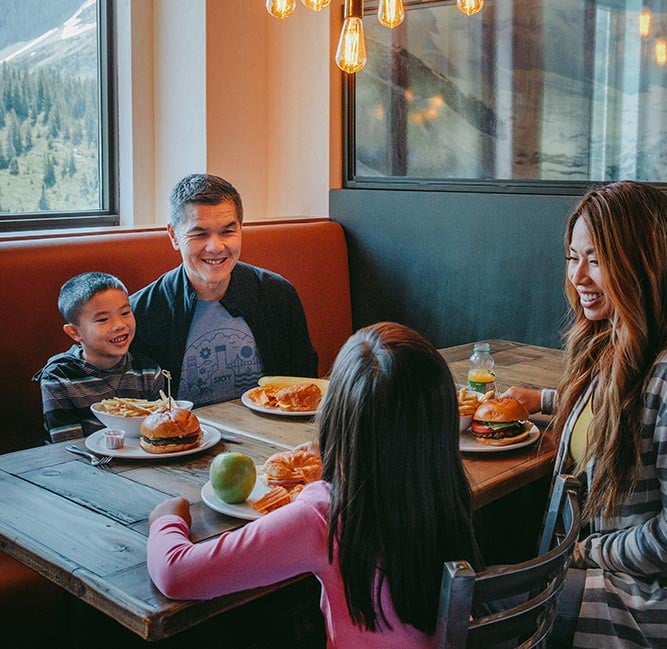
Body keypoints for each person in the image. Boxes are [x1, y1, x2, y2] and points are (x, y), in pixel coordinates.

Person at [147, 322, 482, 648]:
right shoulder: (445, 490)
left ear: (334, 417)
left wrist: (166, 519)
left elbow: (176, 573)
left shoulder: (325, 517)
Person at [502, 181, 667, 649]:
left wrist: (584, 552)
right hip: (612, 568)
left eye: (597, 259)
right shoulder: (617, 338)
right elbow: (611, 409)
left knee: (511, 611)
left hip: (662, 594)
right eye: (573, 257)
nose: (579, 276)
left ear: (642, 262)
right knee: (495, 598)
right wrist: (543, 400)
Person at [129, 173, 318, 407]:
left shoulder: (277, 295)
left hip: (272, 438)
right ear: (173, 236)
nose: (215, 247)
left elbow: (304, 385)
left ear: (241, 229)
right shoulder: (141, 313)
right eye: (200, 234)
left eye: (228, 232)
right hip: (181, 441)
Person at [34, 272, 165, 443]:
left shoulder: (148, 371)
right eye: (103, 319)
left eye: (125, 313)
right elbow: (67, 445)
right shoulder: (59, 376)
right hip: (81, 463)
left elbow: (158, 432)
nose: (119, 325)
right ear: (74, 332)